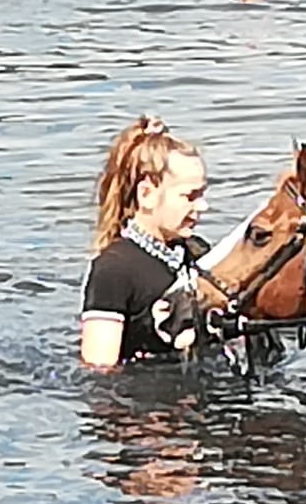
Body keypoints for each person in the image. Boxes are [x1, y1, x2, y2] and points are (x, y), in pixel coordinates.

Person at [80, 117, 212, 369]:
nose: (202, 206)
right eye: (190, 196)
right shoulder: (114, 269)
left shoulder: (199, 253)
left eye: (203, 194)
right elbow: (99, 372)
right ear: (147, 195)